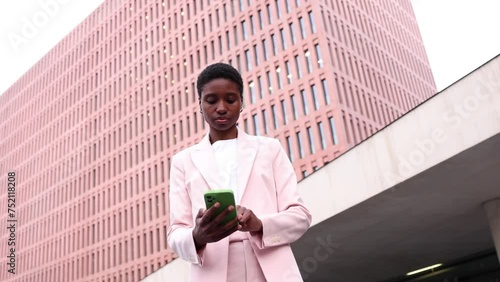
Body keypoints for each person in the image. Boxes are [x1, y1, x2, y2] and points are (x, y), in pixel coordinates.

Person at [167, 62, 312, 281]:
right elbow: (176, 233)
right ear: (200, 104)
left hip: (270, 270)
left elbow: (300, 216)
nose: (222, 107)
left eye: (231, 99)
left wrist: (260, 224)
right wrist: (197, 236)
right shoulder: (182, 162)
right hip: (213, 271)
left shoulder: (269, 149)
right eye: (211, 100)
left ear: (241, 102)